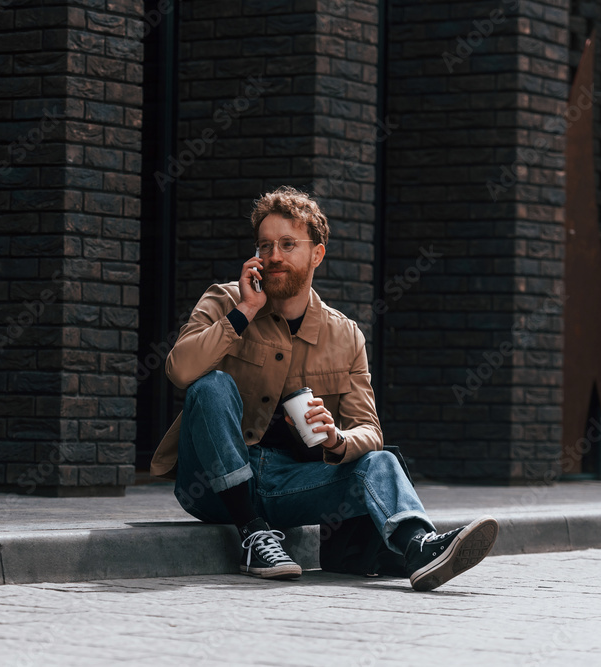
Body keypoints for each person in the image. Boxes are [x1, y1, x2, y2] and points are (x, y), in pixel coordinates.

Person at [150, 186, 498, 591]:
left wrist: (336, 439)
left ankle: (418, 548)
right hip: (209, 484)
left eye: (287, 244)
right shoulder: (224, 299)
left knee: (381, 461)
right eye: (265, 246)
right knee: (211, 386)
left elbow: (369, 430)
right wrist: (244, 312)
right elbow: (179, 369)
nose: (273, 255)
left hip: (287, 485)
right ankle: (251, 533)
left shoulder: (345, 336)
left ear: (316, 254)